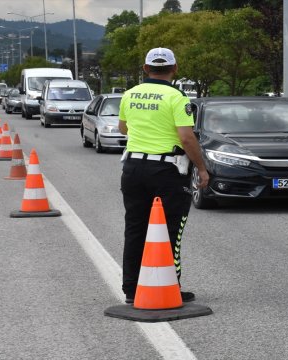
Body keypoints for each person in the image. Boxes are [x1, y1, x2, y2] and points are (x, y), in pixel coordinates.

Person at [118, 47, 209, 304]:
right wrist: (201, 168)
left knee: (135, 229)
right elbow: (186, 137)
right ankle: (169, 287)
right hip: (166, 171)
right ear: (175, 69)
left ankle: (131, 289)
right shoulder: (177, 97)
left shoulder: (130, 94)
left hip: (133, 167)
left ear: (146, 69)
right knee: (170, 231)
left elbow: (123, 127)